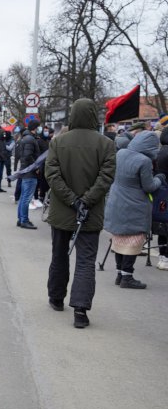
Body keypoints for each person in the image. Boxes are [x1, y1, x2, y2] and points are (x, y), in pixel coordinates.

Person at [44, 98, 115, 328]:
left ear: (72, 115)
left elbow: (52, 175)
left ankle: (56, 298)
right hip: (90, 213)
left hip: (63, 211)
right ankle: (81, 311)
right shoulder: (105, 144)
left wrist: (73, 201)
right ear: (94, 115)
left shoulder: (58, 142)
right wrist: (86, 201)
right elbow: (106, 178)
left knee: (59, 254)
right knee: (86, 261)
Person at [104, 132, 165, 288]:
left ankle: (119, 274)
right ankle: (127, 277)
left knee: (118, 238)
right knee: (134, 240)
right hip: (134, 205)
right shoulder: (144, 161)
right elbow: (149, 186)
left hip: (116, 201)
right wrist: (160, 179)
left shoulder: (121, 153)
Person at [16, 121, 41, 228]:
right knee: (26, 198)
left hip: (25, 170)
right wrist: (36, 167)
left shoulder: (25, 138)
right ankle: (24, 220)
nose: (39, 130)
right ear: (35, 128)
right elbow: (28, 156)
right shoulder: (30, 139)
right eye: (38, 128)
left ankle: (21, 219)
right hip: (30, 172)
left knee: (23, 197)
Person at [154, 125, 168, 270]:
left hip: (160, 191)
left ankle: (162, 255)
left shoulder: (159, 151)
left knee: (163, 224)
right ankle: (166, 257)